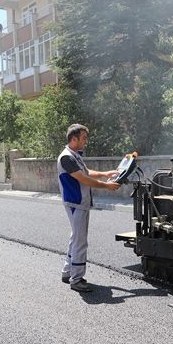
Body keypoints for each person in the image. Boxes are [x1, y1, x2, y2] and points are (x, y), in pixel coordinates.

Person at [58, 124, 122, 293]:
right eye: (84, 138)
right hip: (76, 203)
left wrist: (105, 174)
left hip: (77, 203)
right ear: (74, 139)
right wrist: (106, 186)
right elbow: (83, 179)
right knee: (80, 241)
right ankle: (77, 279)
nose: (86, 141)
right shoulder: (67, 158)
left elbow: (86, 172)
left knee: (75, 238)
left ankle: (67, 272)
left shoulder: (74, 156)